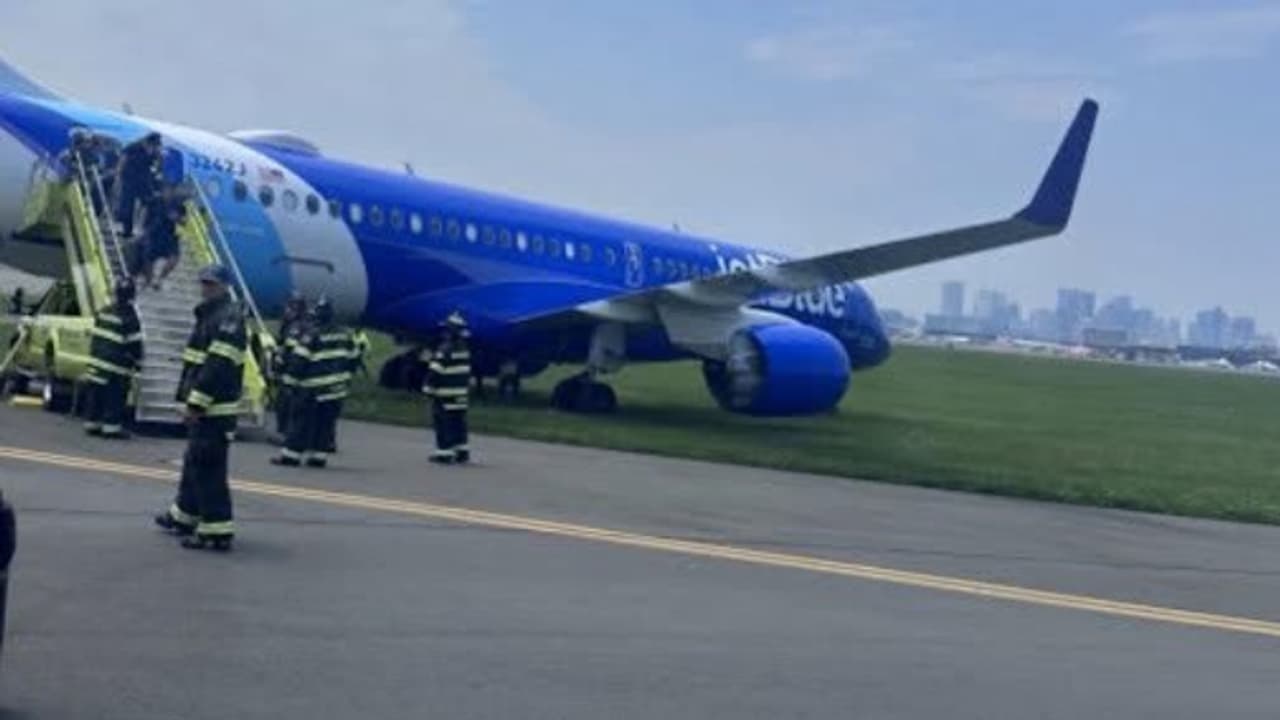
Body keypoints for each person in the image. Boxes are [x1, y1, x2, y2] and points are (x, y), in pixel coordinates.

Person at [153, 264, 246, 552]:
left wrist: (196, 402)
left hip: (214, 410)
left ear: (224, 286)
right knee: (194, 463)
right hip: (204, 407)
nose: (205, 288)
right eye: (203, 282)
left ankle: (216, 531)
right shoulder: (210, 315)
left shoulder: (228, 319)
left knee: (208, 469)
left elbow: (216, 367)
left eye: (211, 284)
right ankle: (184, 516)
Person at [272, 298, 355, 468]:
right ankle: (319, 457)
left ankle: (291, 456)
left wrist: (288, 384)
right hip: (336, 390)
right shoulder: (345, 334)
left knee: (300, 422)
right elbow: (353, 358)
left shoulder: (312, 333)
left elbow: (299, 361)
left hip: (313, 389)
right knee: (325, 424)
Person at [83, 280, 143, 439]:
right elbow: (134, 344)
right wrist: (138, 362)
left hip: (97, 363)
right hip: (116, 367)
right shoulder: (130, 316)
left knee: (96, 396)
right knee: (115, 398)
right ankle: (111, 428)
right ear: (133, 295)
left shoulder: (104, 311)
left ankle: (92, 423)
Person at [422, 312, 472, 464]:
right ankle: (462, 451)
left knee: (443, 423)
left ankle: (444, 453)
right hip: (461, 394)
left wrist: (428, 388)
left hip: (444, 394)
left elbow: (435, 371)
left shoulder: (445, 349)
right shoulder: (464, 349)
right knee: (459, 422)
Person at [272, 293, 309, 440]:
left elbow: (289, 350)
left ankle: (286, 434)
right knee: (284, 403)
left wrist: (280, 364)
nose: (286, 311)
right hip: (289, 372)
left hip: (292, 374)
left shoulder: (296, 327)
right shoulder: (290, 325)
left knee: (286, 404)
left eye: (289, 307)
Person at [114, 132, 163, 239]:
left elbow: (157, 165)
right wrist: (118, 175)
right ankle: (127, 230)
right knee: (127, 205)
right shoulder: (133, 147)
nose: (154, 147)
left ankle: (146, 228)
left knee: (151, 202)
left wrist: (157, 162)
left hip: (144, 180)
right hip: (129, 179)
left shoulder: (154, 152)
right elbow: (123, 160)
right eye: (153, 145)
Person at [138, 198, 184, 291]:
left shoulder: (178, 204)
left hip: (170, 239)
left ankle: (160, 279)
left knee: (174, 258)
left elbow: (183, 220)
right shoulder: (155, 202)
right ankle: (148, 280)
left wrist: (178, 219)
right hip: (155, 235)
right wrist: (143, 231)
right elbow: (145, 213)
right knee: (147, 258)